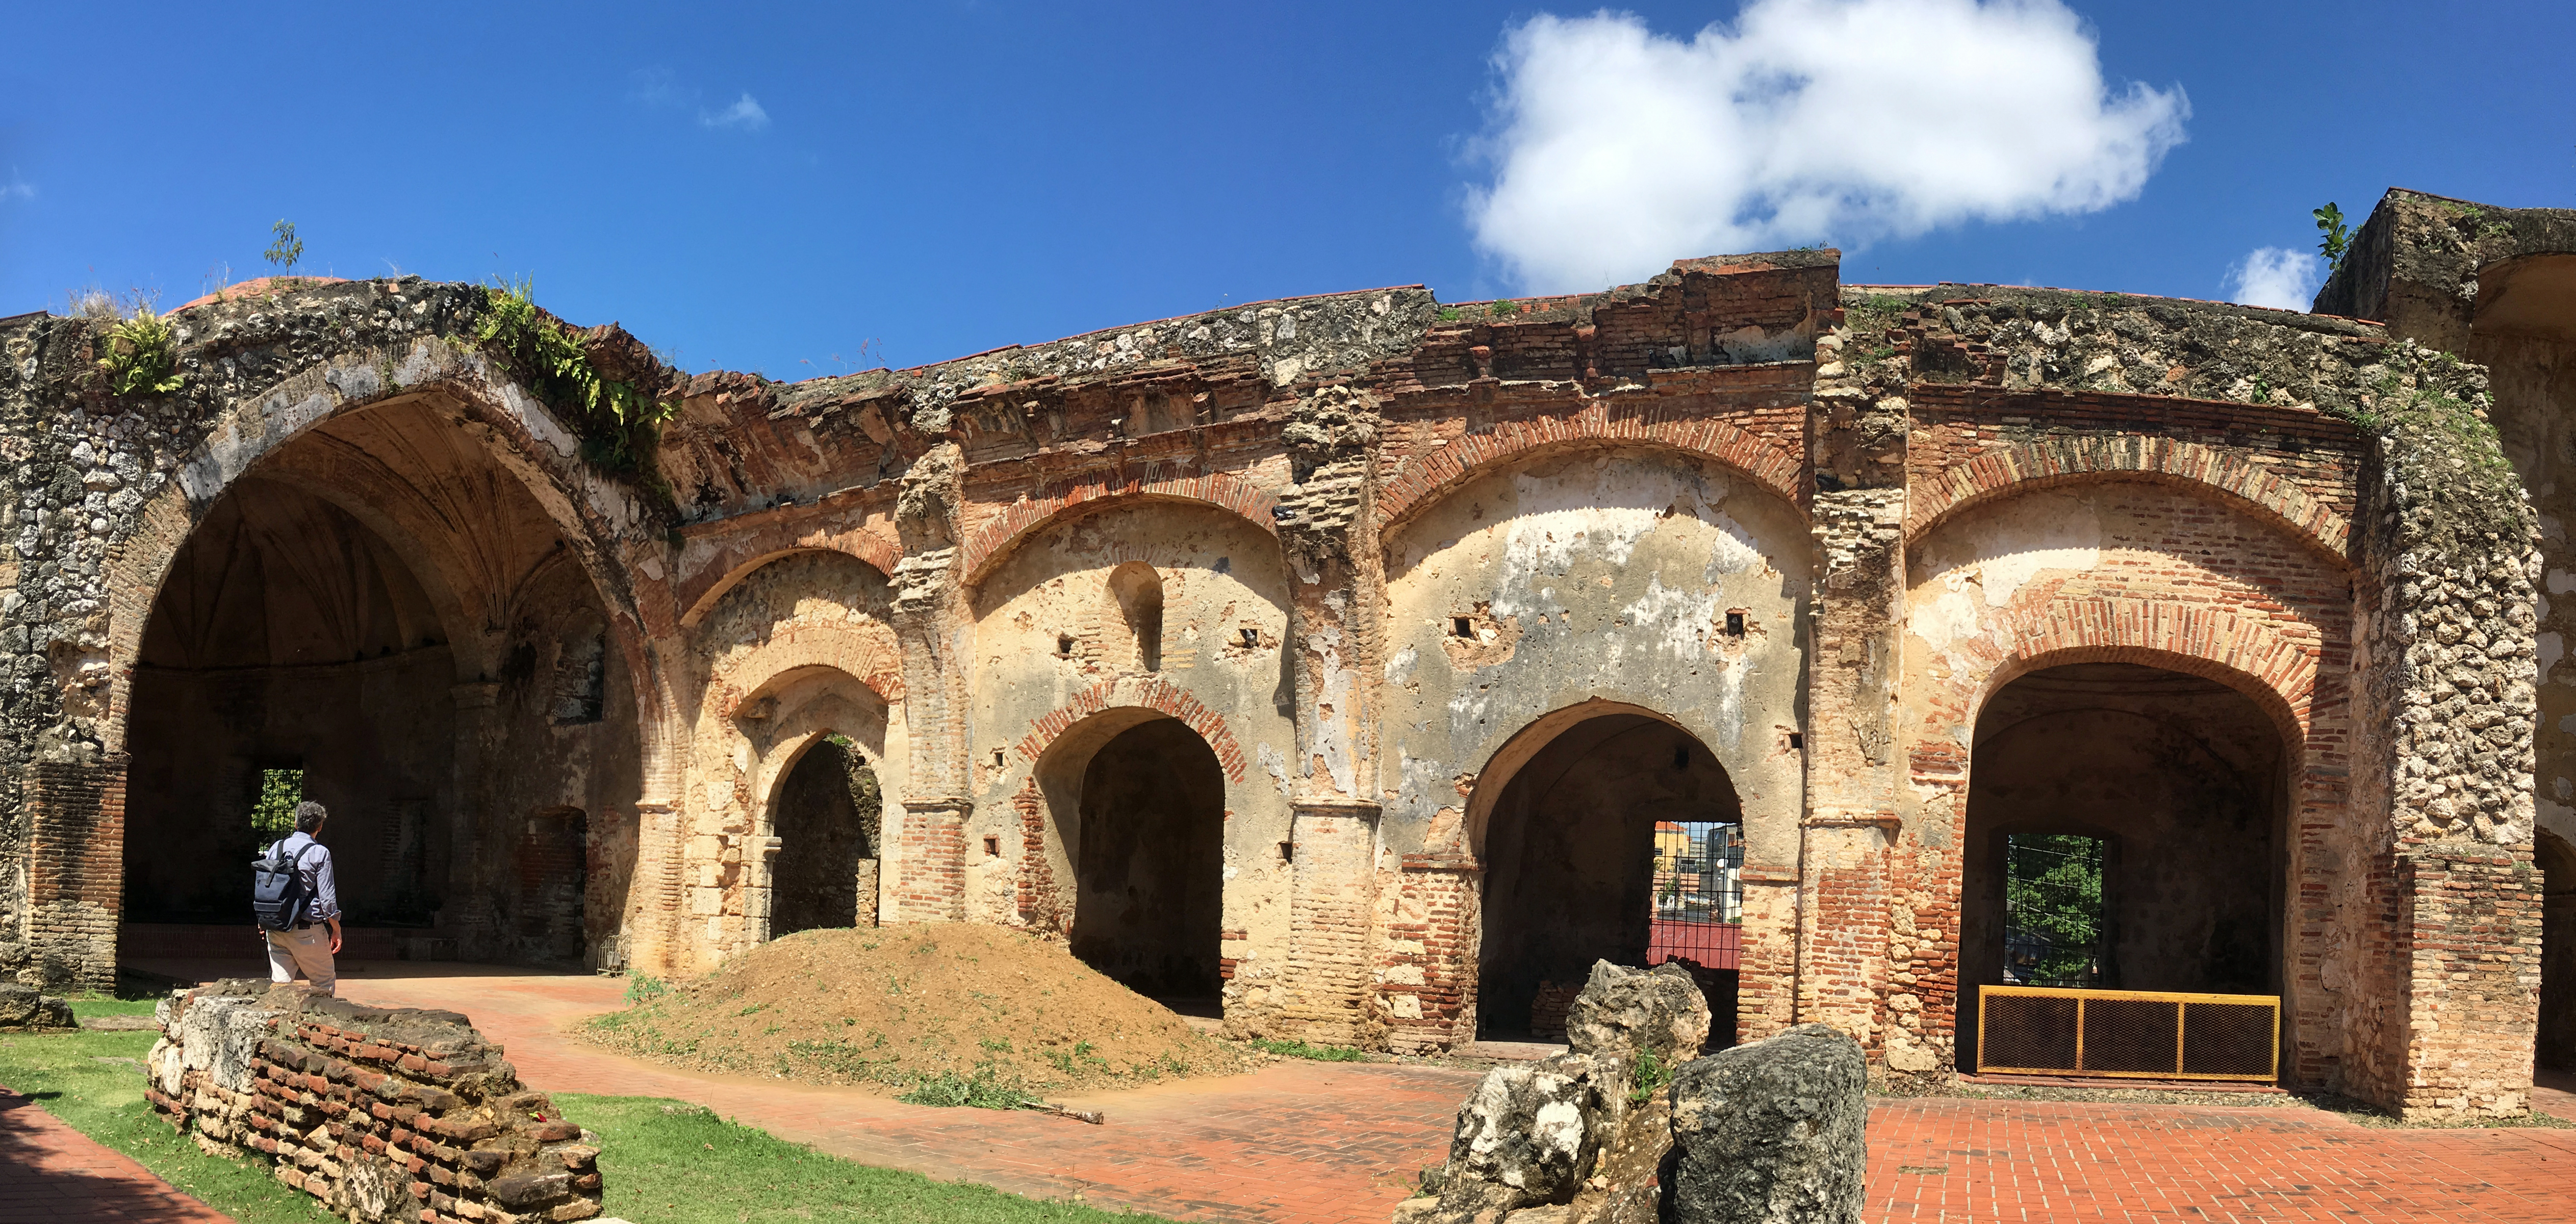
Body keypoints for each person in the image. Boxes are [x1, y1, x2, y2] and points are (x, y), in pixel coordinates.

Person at [264, 801, 343, 994]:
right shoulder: (320, 853)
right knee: (323, 983)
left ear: (295, 823)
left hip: (277, 928)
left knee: (280, 987)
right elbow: (327, 899)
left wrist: (264, 918)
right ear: (320, 827)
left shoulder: (277, 847)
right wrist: (336, 929)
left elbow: (265, 885)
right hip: (307, 931)